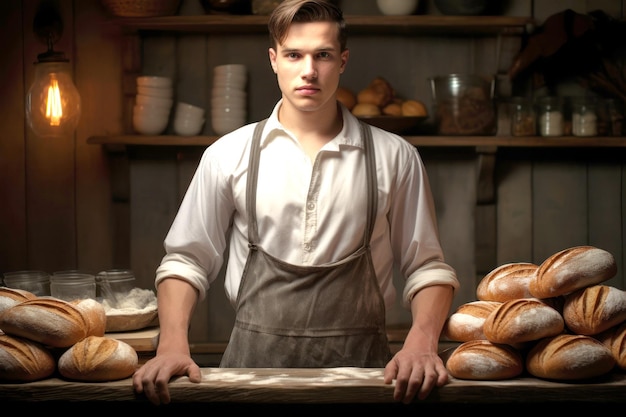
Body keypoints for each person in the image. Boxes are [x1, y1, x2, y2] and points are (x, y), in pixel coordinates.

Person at [132, 0, 460, 406]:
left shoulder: (395, 156)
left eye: (322, 55)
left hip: (365, 380)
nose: (309, 70)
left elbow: (426, 267)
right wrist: (172, 346)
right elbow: (186, 261)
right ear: (274, 60)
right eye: (293, 54)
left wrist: (422, 343)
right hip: (248, 378)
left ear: (342, 60)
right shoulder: (228, 154)